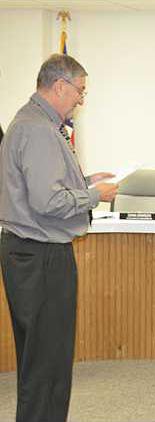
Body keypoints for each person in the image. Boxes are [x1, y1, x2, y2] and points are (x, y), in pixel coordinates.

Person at [0, 54, 118, 422]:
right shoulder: (36, 129)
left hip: (33, 254)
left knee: (46, 361)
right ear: (60, 86)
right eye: (80, 91)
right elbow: (48, 201)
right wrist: (96, 195)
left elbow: (40, 189)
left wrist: (85, 183)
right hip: (40, 258)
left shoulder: (34, 123)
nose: (81, 100)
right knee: (45, 365)